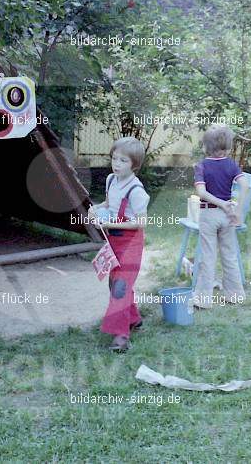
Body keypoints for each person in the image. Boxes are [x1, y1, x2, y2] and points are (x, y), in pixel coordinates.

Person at [88, 137, 150, 352]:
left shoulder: (137, 192)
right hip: (112, 240)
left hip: (130, 244)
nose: (117, 164)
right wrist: (95, 209)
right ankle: (134, 318)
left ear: (134, 164)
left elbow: (141, 222)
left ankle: (121, 336)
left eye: (123, 161)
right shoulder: (110, 180)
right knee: (115, 283)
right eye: (114, 158)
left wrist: (110, 222)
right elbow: (108, 204)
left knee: (120, 288)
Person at [191, 124, 248, 309]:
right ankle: (235, 296)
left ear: (205, 146)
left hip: (208, 214)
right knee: (229, 255)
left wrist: (220, 203)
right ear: (228, 146)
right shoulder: (231, 164)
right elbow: (245, 186)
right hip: (228, 216)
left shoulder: (202, 165)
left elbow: (201, 192)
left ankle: (203, 300)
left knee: (208, 257)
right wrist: (237, 211)